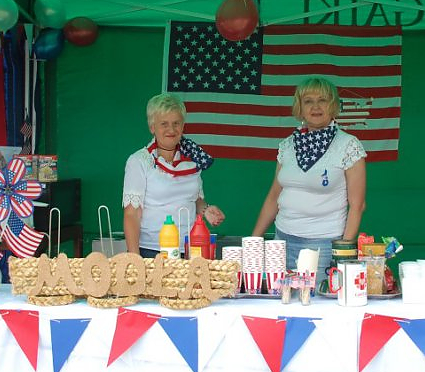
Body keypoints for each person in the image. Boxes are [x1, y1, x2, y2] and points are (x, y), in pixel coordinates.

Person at [251, 77, 367, 287]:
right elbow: (274, 197)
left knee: (318, 303)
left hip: (324, 246)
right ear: (300, 107)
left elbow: (357, 205)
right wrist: (254, 242)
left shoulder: (348, 146)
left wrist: (342, 253)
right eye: (308, 101)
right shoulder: (287, 145)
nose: (315, 107)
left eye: (322, 100)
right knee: (279, 300)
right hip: (281, 241)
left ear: (333, 105)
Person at [122, 93, 224, 257]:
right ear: (152, 127)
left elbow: (195, 200)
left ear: (183, 126)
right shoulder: (139, 161)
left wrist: (206, 210)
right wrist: (135, 259)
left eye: (176, 123)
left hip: (190, 249)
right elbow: (131, 214)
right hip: (152, 250)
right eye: (164, 124)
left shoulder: (192, 159)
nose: (171, 129)